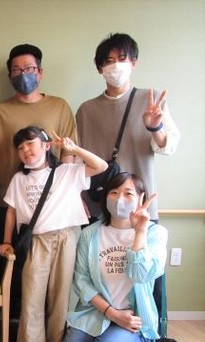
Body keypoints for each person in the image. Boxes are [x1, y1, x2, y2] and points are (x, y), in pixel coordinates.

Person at [0, 43, 77, 319]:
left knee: (53, 280)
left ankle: (51, 333)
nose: (23, 75)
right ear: (10, 76)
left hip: (53, 210)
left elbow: (68, 156)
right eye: (17, 70)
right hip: (12, 203)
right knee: (16, 274)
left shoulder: (60, 107)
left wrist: (63, 199)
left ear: (40, 72)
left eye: (29, 68)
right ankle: (17, 333)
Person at [0, 126, 107, 342]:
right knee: (32, 294)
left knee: (61, 295)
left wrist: (74, 149)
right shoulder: (19, 179)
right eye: (20, 147)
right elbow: (11, 211)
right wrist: (6, 241)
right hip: (37, 240)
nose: (25, 150)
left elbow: (101, 166)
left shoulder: (67, 171)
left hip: (67, 237)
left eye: (30, 144)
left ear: (46, 146)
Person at [56, 172, 167, 342]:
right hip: (96, 312)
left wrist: (140, 232)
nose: (120, 199)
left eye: (128, 193)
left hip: (133, 320)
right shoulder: (90, 233)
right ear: (106, 197)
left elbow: (141, 275)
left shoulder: (156, 234)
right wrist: (111, 313)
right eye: (114, 193)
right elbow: (81, 280)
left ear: (141, 198)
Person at [76, 33, 180, 223]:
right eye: (109, 61)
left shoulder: (152, 100)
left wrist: (155, 127)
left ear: (133, 62)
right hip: (98, 205)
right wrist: (76, 196)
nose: (116, 65)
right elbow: (77, 160)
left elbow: (169, 147)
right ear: (100, 68)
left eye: (122, 58)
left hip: (140, 206)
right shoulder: (86, 110)